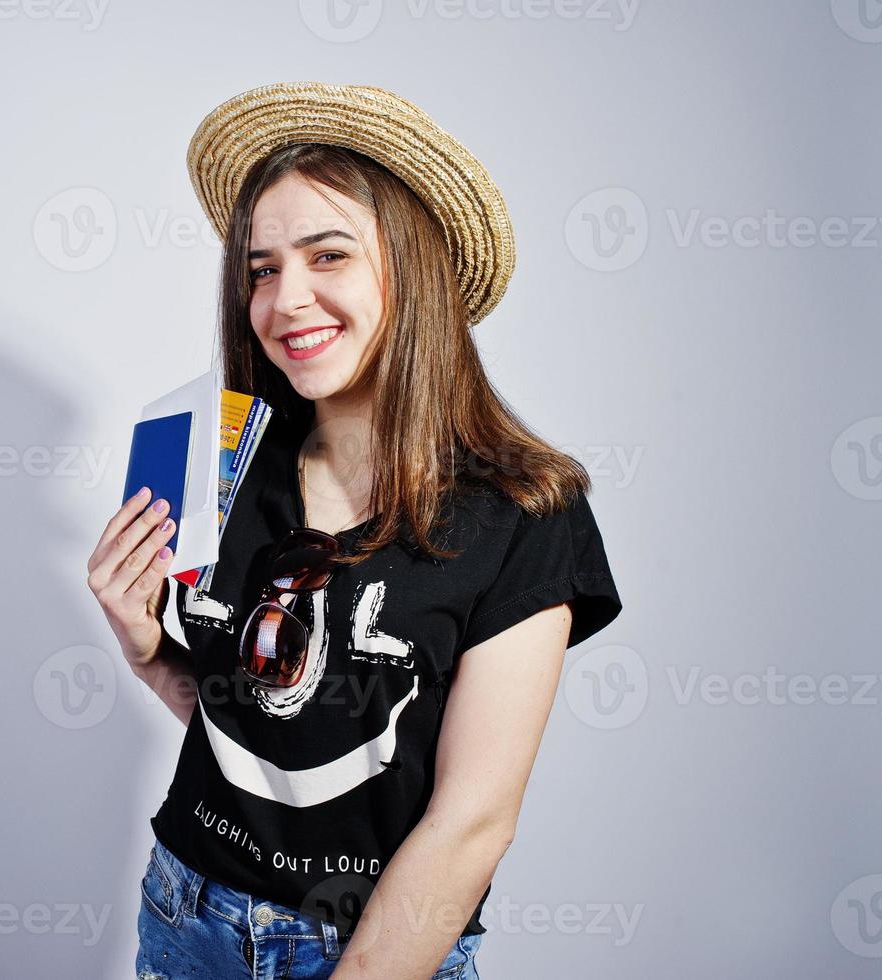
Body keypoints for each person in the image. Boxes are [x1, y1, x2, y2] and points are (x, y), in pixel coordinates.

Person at [87, 82, 623, 980]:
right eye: (261, 269)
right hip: (185, 913)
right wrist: (149, 652)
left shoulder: (524, 512)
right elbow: (251, 729)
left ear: (410, 272)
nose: (284, 298)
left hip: (372, 946)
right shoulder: (226, 461)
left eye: (325, 256)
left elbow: (472, 820)